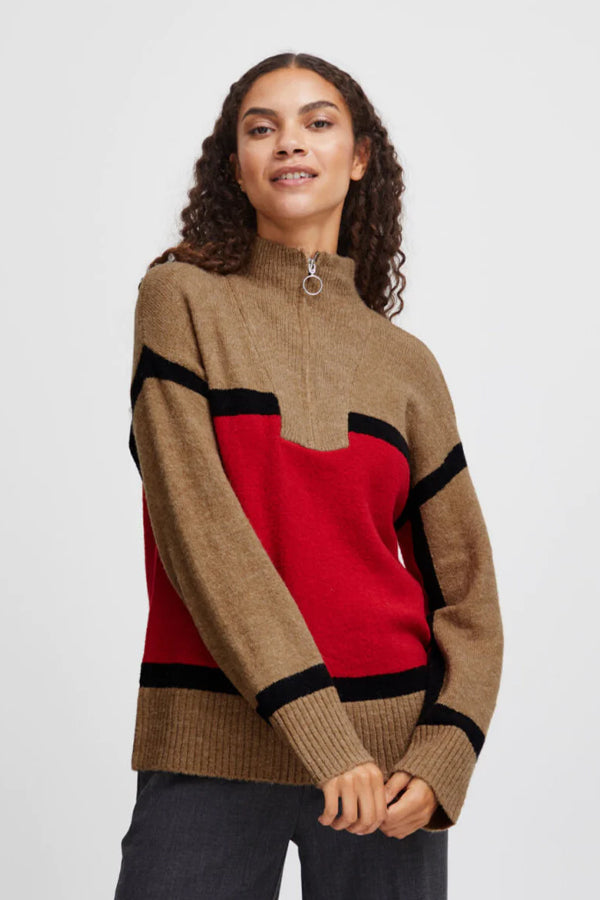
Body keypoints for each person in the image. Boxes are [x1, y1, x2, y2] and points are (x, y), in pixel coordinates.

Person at [113, 51, 504, 900]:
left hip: (389, 765)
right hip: (213, 741)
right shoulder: (181, 301)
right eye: (262, 128)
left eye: (317, 122)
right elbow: (201, 536)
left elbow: (468, 590)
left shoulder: (405, 364)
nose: (290, 141)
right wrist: (324, 737)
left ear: (359, 157)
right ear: (236, 166)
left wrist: (444, 756)